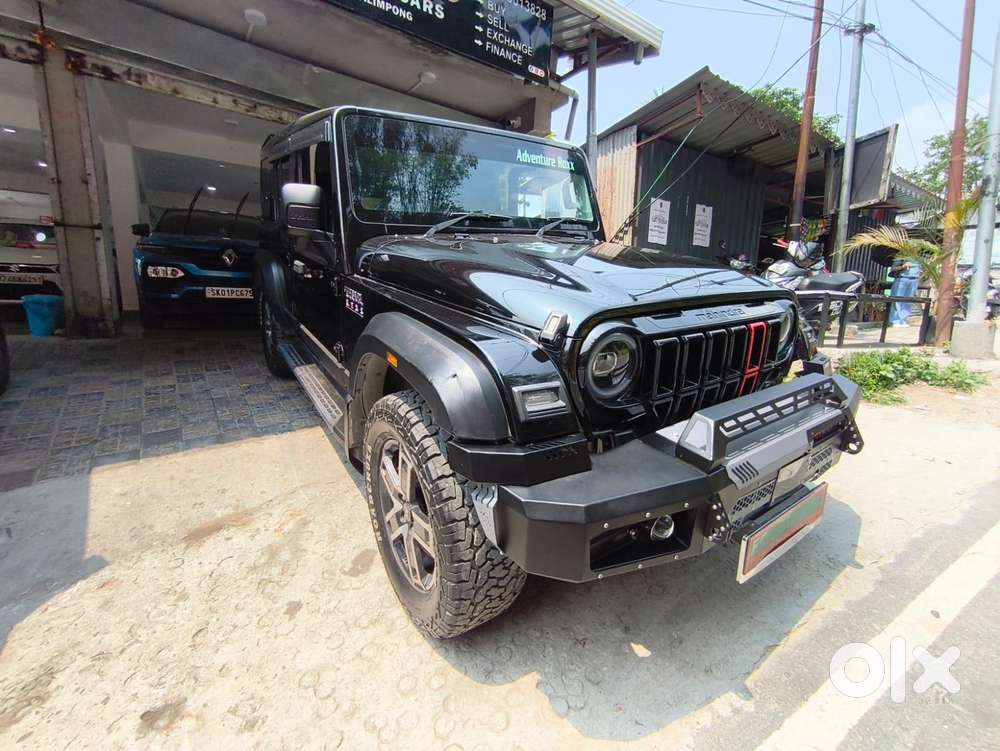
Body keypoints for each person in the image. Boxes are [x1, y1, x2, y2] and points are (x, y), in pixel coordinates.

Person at [888, 257, 921, 326]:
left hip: (914, 280)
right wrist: (903, 266)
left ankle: (903, 319)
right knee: (897, 299)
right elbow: (893, 268)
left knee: (908, 300)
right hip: (902, 279)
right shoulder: (902, 256)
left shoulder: (919, 258)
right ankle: (895, 320)